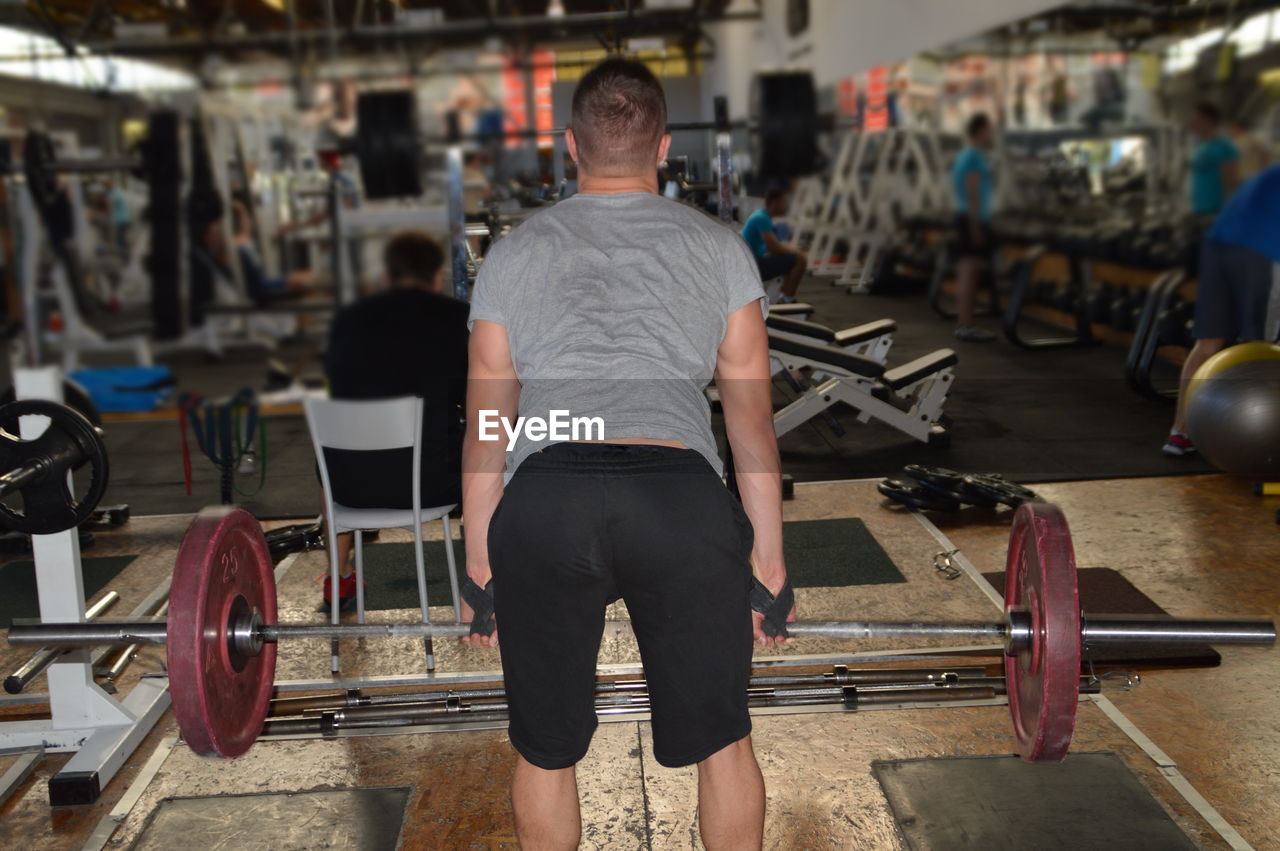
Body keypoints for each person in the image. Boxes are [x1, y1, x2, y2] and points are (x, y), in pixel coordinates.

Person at [462, 59, 790, 849]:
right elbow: (751, 427)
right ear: (665, 146)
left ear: (571, 146)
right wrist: (769, 565)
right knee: (725, 742)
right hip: (678, 501)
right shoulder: (721, 252)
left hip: (547, 501)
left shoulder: (511, 256)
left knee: (543, 750)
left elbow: (486, 428)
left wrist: (480, 567)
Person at [321, 231, 470, 605]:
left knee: (328, 450)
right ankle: (487, 569)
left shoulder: (347, 320)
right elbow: (479, 401)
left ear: (385, 277)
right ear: (437, 277)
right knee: (494, 438)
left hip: (349, 489)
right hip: (435, 486)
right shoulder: (458, 319)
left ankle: (338, 577)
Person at [1164, 164, 1280, 456]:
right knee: (1261, 349)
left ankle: (1181, 433)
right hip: (1261, 252)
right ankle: (1255, 439)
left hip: (1219, 246)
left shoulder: (1269, 174)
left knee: (1209, 342)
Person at [950, 113, 998, 343]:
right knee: (970, 274)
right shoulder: (974, 157)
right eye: (989, 130)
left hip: (966, 218)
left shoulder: (966, 155)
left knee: (966, 273)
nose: (992, 135)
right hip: (972, 219)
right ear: (980, 131)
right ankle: (966, 325)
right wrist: (976, 226)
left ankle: (964, 323)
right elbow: (972, 192)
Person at [740, 187, 807, 303]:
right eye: (785, 202)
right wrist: (795, 251)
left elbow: (773, 247)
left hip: (752, 263)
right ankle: (787, 300)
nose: (787, 205)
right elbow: (774, 247)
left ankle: (784, 297)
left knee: (790, 256)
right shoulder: (762, 218)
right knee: (801, 259)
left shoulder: (762, 216)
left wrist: (790, 249)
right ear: (776, 202)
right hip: (753, 267)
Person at [1187, 103, 1240, 217]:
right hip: (1199, 208)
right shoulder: (1200, 146)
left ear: (1210, 121)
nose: (1193, 124)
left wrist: (1230, 210)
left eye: (1197, 120)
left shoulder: (1223, 146)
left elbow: (1231, 181)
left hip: (1216, 209)